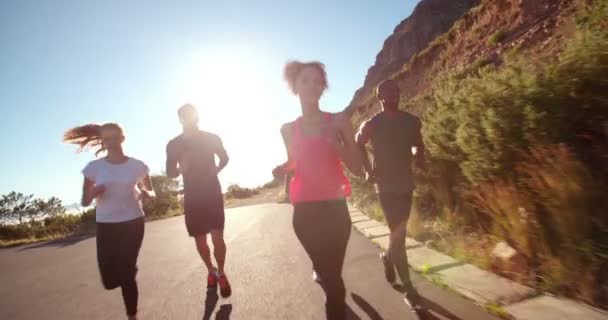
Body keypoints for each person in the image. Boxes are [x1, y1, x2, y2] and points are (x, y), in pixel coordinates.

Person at [273, 60, 364, 320]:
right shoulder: (288, 129)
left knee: (332, 276)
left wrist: (338, 144)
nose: (312, 86)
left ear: (324, 86)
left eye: (317, 81)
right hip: (305, 214)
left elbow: (357, 167)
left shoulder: (338, 121)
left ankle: (325, 280)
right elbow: (294, 162)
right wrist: (282, 169)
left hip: (336, 210)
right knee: (334, 284)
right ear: (295, 87)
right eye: (305, 81)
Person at [64, 123, 155, 320]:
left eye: (115, 137)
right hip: (106, 225)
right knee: (109, 280)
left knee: (126, 272)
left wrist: (147, 193)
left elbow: (152, 191)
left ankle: (132, 315)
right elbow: (84, 201)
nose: (112, 142)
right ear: (103, 142)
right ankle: (128, 270)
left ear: (123, 138)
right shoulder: (93, 168)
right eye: (107, 139)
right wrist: (92, 192)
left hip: (133, 221)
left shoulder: (138, 165)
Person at [355, 79, 426, 310]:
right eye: (388, 91)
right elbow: (358, 142)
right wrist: (367, 170)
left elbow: (418, 143)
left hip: (406, 184)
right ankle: (409, 288)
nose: (394, 93)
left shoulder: (411, 121)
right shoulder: (373, 123)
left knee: (399, 234)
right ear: (380, 97)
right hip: (385, 186)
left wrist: (419, 155)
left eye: (396, 90)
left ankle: (387, 257)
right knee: (399, 236)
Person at [165, 104, 232, 298]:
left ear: (198, 116)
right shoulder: (174, 144)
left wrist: (217, 169)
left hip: (212, 193)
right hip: (193, 197)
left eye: (191, 115)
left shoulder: (211, 138)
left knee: (218, 238)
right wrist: (180, 170)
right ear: (180, 119)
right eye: (184, 116)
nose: (189, 118)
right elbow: (170, 172)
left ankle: (221, 272)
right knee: (201, 241)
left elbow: (225, 157)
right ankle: (210, 270)